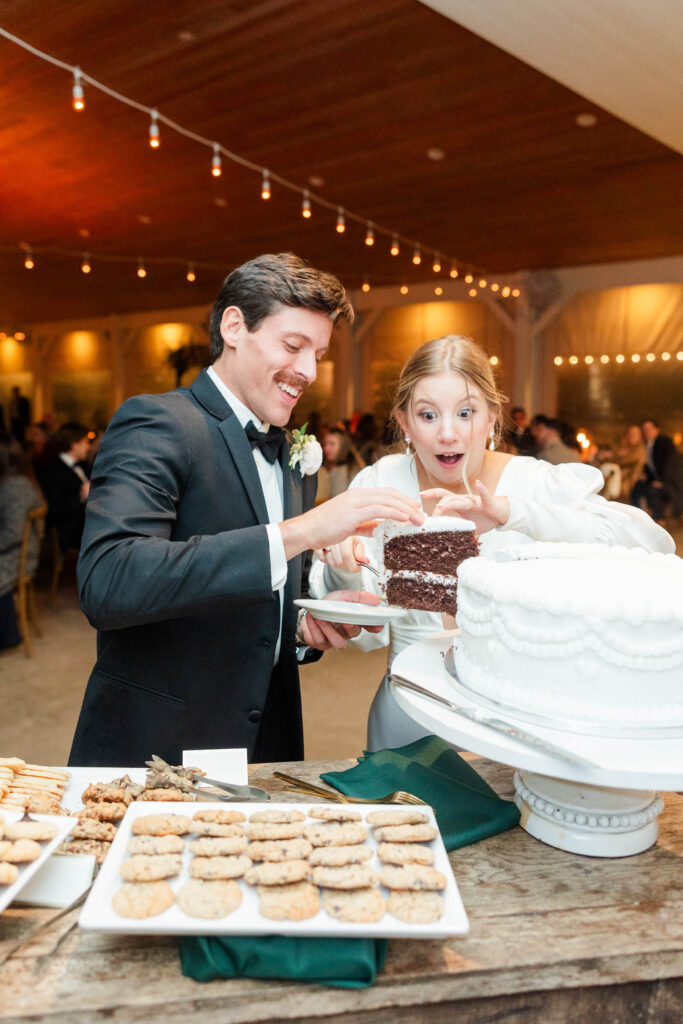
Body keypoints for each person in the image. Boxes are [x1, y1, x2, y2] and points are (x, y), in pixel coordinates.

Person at [68, 253, 422, 767]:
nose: (308, 371)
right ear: (234, 327)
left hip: (265, 749)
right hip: (156, 750)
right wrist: (296, 532)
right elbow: (110, 581)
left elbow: (267, 597)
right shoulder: (157, 422)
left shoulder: (297, 458)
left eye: (318, 354)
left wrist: (302, 630)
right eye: (293, 345)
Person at [309, 335, 674, 752]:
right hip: (405, 724)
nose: (448, 434)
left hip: (520, 730)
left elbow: (650, 548)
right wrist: (345, 566)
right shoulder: (380, 484)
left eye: (466, 413)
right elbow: (367, 637)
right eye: (428, 415)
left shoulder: (534, 482)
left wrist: (511, 513)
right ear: (405, 422)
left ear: (492, 418)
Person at [0, 440, 44, 650]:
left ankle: (7, 635)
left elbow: (12, 533)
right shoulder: (16, 480)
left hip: (18, 556)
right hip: (15, 549)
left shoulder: (15, 487)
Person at [43, 422, 92, 553]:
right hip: (72, 530)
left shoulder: (84, 466)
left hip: (88, 526)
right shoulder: (55, 471)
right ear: (74, 445)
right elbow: (55, 511)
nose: (88, 447)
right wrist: (80, 498)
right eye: (86, 442)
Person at [631, 418, 683, 523]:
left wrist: (662, 482)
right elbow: (651, 465)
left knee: (653, 490)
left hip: (671, 481)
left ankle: (659, 519)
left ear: (656, 430)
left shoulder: (665, 442)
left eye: (649, 428)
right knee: (637, 487)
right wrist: (646, 474)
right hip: (655, 479)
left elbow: (671, 464)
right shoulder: (647, 444)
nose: (647, 431)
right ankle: (636, 518)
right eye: (645, 429)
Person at [316, 426, 365, 502]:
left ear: (343, 446)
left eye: (332, 444)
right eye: (325, 444)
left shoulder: (346, 471)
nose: (326, 448)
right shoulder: (330, 465)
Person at [616, 425, 647, 502]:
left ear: (640, 435)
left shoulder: (640, 449)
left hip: (631, 481)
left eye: (634, 433)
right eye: (630, 433)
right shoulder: (625, 447)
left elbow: (632, 462)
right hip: (622, 479)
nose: (631, 436)